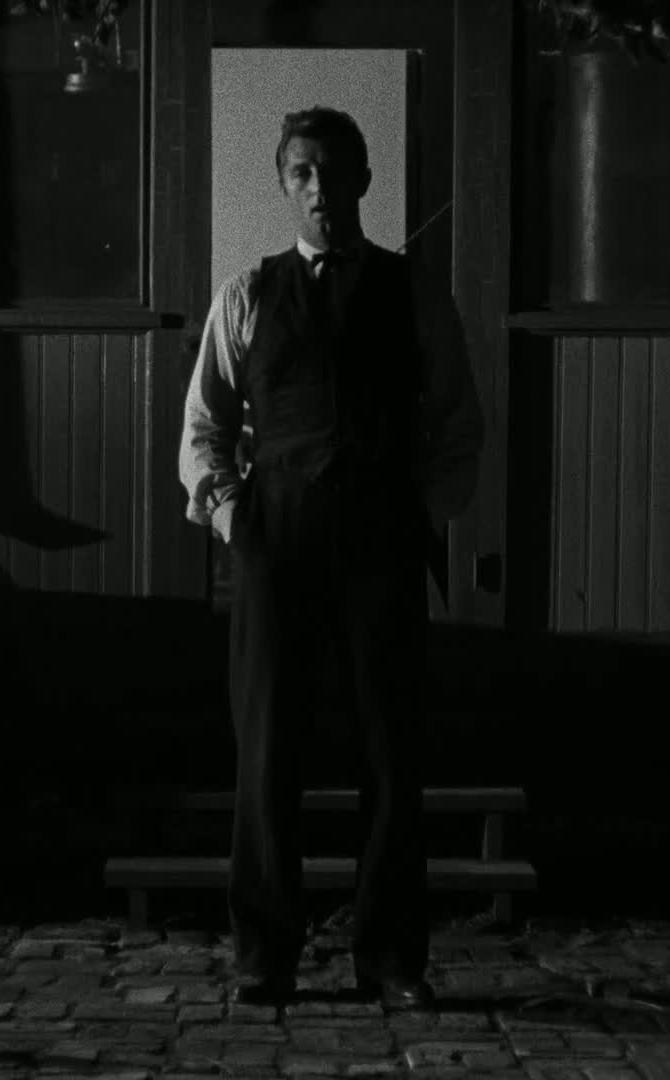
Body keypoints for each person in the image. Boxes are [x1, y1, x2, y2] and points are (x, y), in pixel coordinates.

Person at [178, 106, 484, 1013]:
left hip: (381, 548)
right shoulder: (247, 294)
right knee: (268, 749)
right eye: (302, 173)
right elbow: (204, 426)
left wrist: (419, 513)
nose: (319, 189)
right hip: (277, 548)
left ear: (363, 181)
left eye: (334, 171)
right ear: (285, 185)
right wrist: (234, 516)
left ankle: (390, 958)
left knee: (390, 754)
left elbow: (459, 422)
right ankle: (263, 956)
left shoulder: (415, 292)